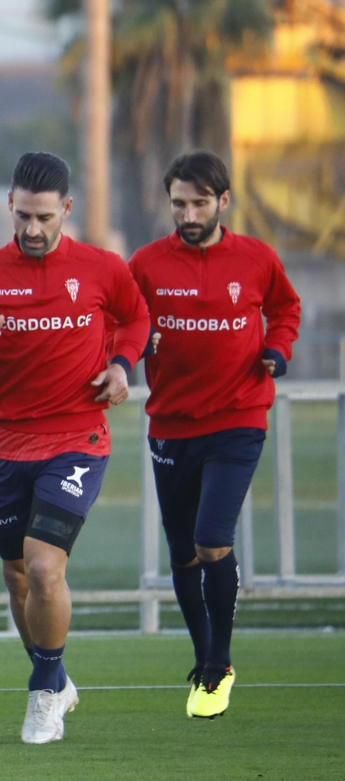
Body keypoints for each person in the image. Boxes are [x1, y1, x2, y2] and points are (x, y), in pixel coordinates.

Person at [0, 152, 148, 744]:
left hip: (78, 438)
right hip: (9, 443)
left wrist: (120, 365)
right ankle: (56, 678)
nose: (33, 229)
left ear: (67, 210)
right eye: (24, 215)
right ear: (10, 204)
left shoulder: (101, 268)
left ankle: (42, 695)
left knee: (42, 564)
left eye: (45, 218)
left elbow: (136, 319)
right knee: (16, 575)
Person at [128, 151, 301, 719]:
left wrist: (277, 348)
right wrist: (133, 343)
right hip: (171, 424)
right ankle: (205, 657)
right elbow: (120, 318)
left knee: (210, 539)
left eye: (199, 203)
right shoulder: (146, 264)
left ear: (223, 201)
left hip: (238, 417)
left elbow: (286, 308)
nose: (188, 214)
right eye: (178, 204)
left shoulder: (256, 258)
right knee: (183, 553)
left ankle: (220, 663)